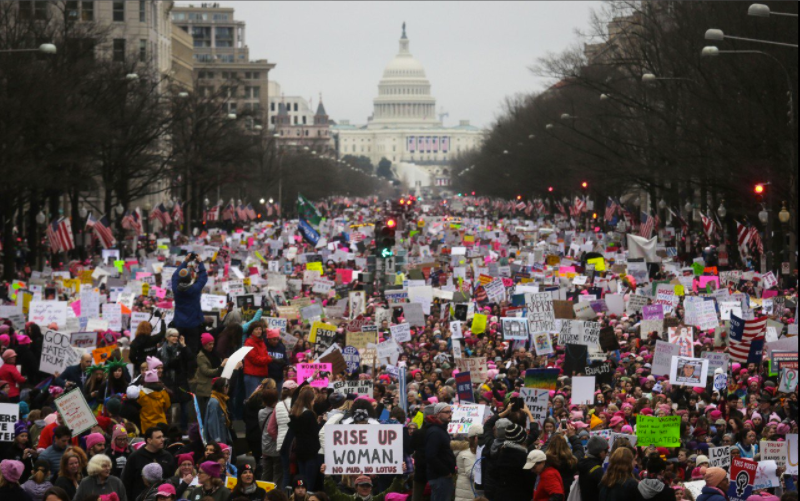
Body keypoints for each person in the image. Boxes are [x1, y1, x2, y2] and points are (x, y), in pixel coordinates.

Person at [120, 428, 175, 501]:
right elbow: (127, 482)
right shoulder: (135, 457)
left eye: (162, 436)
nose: (162, 439)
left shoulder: (167, 456)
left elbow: (172, 479)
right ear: (149, 440)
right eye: (158, 437)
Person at [172, 253, 208, 355]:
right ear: (190, 279)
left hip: (179, 324)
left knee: (179, 350)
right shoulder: (195, 289)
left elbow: (174, 276)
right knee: (192, 351)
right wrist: (200, 263)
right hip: (193, 325)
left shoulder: (176, 289)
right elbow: (203, 278)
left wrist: (185, 261)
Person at [288, 387, 321, 491]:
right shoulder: (309, 415)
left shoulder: (295, 414)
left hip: (300, 451)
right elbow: (315, 433)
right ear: (309, 400)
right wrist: (320, 423)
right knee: (309, 483)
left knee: (302, 481)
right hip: (310, 452)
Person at [425, 403, 456, 501]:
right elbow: (430, 456)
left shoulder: (440, 430)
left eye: (450, 412)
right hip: (440, 478)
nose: (450, 414)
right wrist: (445, 472)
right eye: (446, 412)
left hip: (442, 477)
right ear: (438, 414)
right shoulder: (435, 432)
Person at [195, 334, 229, 413]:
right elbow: (206, 371)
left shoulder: (215, 354)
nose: (212, 346)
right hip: (206, 389)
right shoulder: (201, 356)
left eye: (213, 344)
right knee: (206, 412)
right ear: (204, 344)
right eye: (209, 344)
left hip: (215, 386)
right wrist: (220, 367)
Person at [257, 388, 281, 485]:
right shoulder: (278, 412)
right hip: (275, 447)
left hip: (265, 446)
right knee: (278, 475)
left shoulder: (261, 412)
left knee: (266, 474)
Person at [322, 473, 405, 501]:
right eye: (362, 485)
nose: (365, 488)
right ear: (356, 487)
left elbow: (391, 491)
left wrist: (399, 477)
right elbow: (333, 493)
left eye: (367, 485)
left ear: (371, 487)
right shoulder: (348, 499)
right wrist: (327, 477)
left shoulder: (376, 499)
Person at [242, 321, 272, 397]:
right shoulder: (249, 343)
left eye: (260, 329)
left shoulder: (261, 342)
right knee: (252, 399)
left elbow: (264, 356)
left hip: (261, 374)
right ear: (252, 331)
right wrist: (269, 359)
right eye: (256, 329)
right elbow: (256, 359)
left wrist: (267, 358)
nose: (259, 331)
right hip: (252, 376)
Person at [455, 424, 483, 501]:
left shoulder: (475, 452)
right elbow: (472, 473)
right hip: (468, 495)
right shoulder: (468, 454)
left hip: (468, 493)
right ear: (476, 438)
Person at [578, 435, 609, 501]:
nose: (606, 454)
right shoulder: (597, 470)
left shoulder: (583, 462)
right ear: (600, 452)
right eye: (606, 451)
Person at [205, 378, 233, 446]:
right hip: (219, 438)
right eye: (226, 386)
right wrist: (216, 439)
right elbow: (212, 422)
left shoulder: (221, 399)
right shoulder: (214, 402)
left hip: (223, 434)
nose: (228, 388)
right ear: (222, 387)